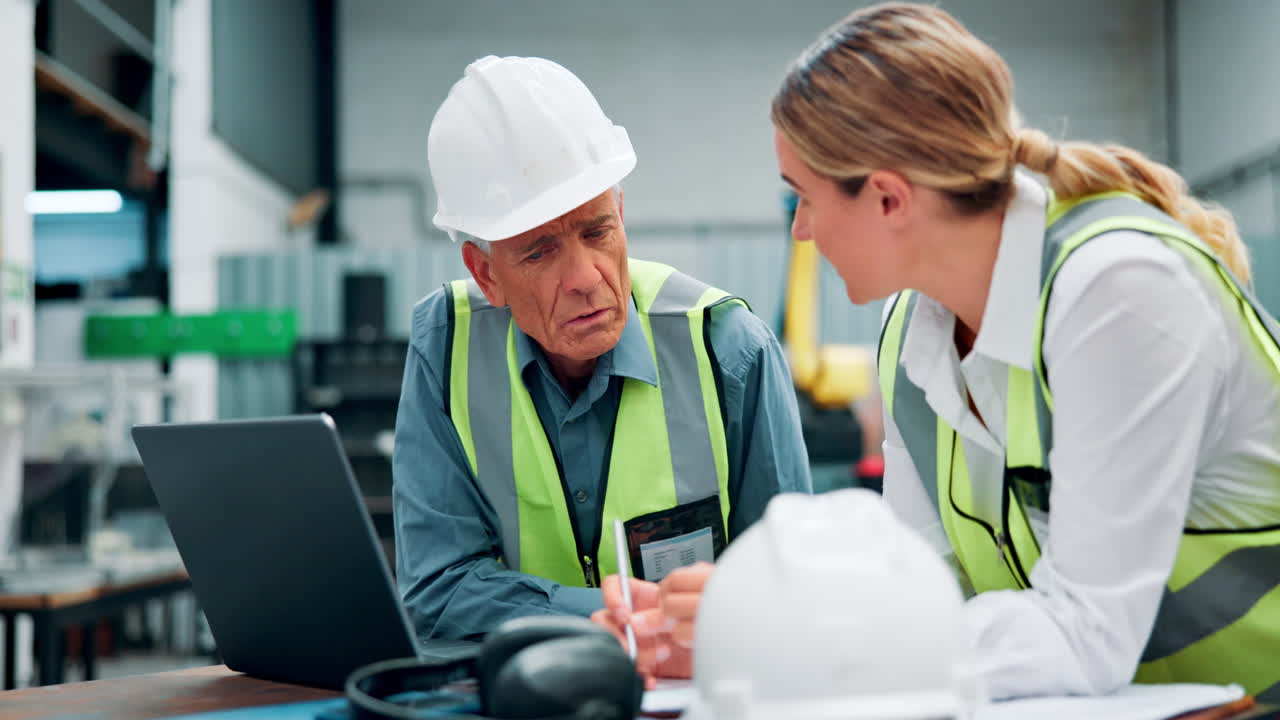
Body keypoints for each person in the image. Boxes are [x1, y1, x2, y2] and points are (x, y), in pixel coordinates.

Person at [597, 2, 1280, 702]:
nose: (800, 230)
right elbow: (917, 592)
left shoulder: (1118, 289)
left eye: (803, 197)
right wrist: (751, 646)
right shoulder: (910, 333)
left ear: (889, 199)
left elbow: (1086, 633)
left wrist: (782, 629)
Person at [393, 55, 812, 642]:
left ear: (621, 214)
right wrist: (617, 622)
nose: (586, 276)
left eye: (596, 232)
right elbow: (438, 594)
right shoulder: (446, 348)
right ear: (485, 274)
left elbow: (791, 590)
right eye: (539, 251)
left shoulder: (730, 351)